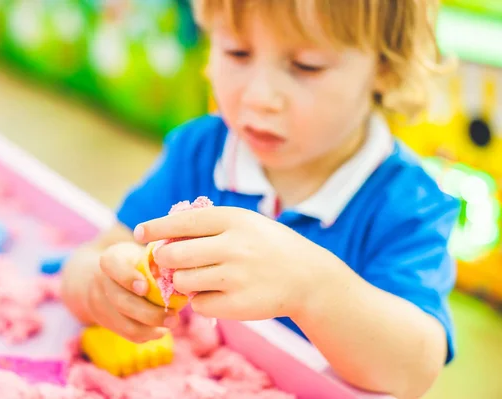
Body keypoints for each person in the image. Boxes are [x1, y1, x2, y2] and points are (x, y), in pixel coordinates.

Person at [61, 1, 459, 398]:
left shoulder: (409, 207)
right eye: (237, 52)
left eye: (307, 65)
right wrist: (103, 289)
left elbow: (412, 371)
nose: (260, 97)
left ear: (385, 67)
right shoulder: (199, 152)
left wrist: (312, 289)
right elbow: (98, 255)